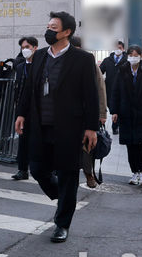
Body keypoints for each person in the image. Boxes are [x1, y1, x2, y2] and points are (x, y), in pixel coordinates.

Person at [14, 12, 98, 243]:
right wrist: (21, 113)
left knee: (68, 175)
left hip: (70, 127)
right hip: (40, 125)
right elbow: (29, 88)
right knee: (38, 169)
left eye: (53, 27)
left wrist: (91, 128)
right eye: (48, 26)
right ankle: (61, 197)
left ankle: (62, 224)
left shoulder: (82, 59)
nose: (48, 30)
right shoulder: (40, 56)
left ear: (67, 32)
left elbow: (91, 95)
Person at [109, 46, 142, 186]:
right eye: (131, 55)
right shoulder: (122, 72)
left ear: (141, 56)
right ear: (127, 56)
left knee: (140, 144)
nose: (133, 57)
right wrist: (114, 111)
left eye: (136, 55)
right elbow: (115, 92)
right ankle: (134, 172)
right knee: (130, 145)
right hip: (126, 113)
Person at [69, 36, 107, 189]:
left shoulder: (88, 61)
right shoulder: (62, 62)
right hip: (67, 114)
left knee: (86, 147)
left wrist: (102, 113)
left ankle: (89, 175)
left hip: (86, 113)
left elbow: (100, 88)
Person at [11, 36, 38, 181]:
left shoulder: (41, 65)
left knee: (39, 139)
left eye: (28, 47)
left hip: (38, 109)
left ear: (35, 48)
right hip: (22, 108)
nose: (25, 50)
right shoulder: (20, 66)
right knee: (23, 139)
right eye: (23, 48)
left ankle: (47, 169)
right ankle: (22, 170)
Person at [99, 41, 127, 134]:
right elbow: (100, 72)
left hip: (123, 88)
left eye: (119, 48)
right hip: (110, 88)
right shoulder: (107, 60)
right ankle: (116, 124)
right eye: (116, 48)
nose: (117, 50)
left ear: (123, 49)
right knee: (112, 107)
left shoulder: (127, 60)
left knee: (119, 107)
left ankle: (115, 126)